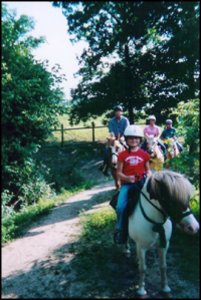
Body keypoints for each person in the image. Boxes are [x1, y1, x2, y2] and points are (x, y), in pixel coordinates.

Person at [114, 125, 152, 244]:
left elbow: (148, 170)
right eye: (131, 138)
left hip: (142, 183)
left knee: (156, 199)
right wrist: (126, 178)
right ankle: (120, 229)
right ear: (126, 139)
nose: (133, 140)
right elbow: (118, 172)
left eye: (136, 138)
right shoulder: (122, 155)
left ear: (140, 140)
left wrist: (150, 177)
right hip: (127, 185)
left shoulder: (145, 154)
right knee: (120, 207)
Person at [100, 105, 130, 176]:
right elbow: (111, 131)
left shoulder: (125, 120)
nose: (118, 113)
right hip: (114, 138)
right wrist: (113, 137)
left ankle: (132, 164)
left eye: (119, 111)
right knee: (107, 149)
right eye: (116, 111)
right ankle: (105, 167)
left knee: (129, 148)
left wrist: (123, 137)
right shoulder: (111, 121)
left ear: (121, 112)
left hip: (123, 137)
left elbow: (126, 130)